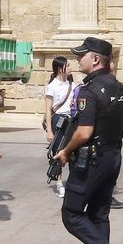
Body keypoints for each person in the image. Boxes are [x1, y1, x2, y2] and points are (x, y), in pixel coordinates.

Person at [57, 37, 123, 244]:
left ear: (96, 59)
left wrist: (66, 151)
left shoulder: (89, 91)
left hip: (92, 158)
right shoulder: (119, 87)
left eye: (82, 55)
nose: (78, 60)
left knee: (72, 214)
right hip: (112, 156)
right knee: (99, 212)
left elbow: (84, 133)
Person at [42, 56, 76, 196]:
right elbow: (48, 110)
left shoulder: (72, 85)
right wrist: (49, 131)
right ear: (59, 68)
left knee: (73, 150)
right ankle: (59, 182)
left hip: (71, 119)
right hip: (58, 120)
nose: (70, 68)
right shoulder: (52, 87)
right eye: (67, 66)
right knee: (58, 151)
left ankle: (74, 181)